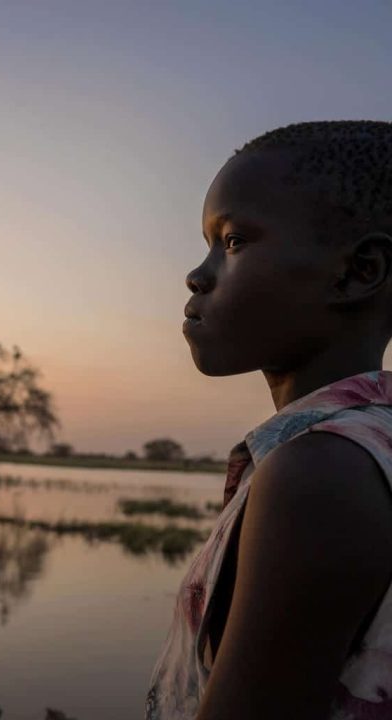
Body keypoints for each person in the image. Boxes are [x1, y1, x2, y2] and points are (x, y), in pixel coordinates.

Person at [146, 120, 392, 720]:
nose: (197, 276)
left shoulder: (319, 473)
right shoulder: (364, 448)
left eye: (231, 242)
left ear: (358, 272)